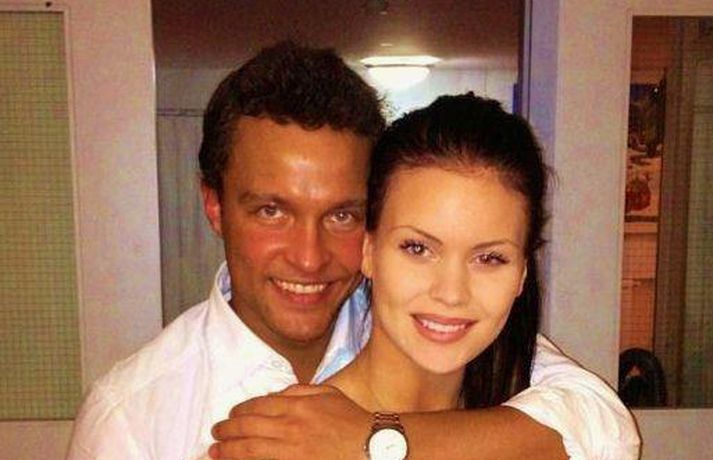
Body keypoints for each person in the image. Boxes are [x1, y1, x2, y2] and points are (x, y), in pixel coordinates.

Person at [67, 42, 640, 460]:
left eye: (341, 213)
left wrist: (374, 438)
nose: (309, 257)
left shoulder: (471, 349)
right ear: (213, 205)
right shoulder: (136, 415)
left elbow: (600, 422)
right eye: (272, 210)